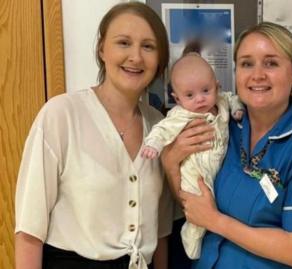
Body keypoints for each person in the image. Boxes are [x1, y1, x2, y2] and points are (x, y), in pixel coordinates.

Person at [161, 21, 292, 269]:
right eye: (246, 64)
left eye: (271, 63)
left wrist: (216, 221)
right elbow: (193, 203)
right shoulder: (222, 126)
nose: (257, 75)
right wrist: (170, 163)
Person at [15, 3, 174, 269]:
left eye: (148, 46)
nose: (135, 57)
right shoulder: (61, 115)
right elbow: (29, 233)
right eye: (123, 43)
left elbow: (160, 232)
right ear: (102, 49)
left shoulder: (160, 127)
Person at [141, 47, 244, 260]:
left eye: (205, 91)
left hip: (218, 167)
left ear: (217, 86)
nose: (199, 99)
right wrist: (153, 145)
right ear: (177, 99)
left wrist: (237, 110)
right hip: (194, 170)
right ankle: (192, 240)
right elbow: (162, 130)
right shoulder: (180, 115)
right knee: (197, 204)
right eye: (189, 95)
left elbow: (233, 98)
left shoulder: (221, 103)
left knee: (214, 203)